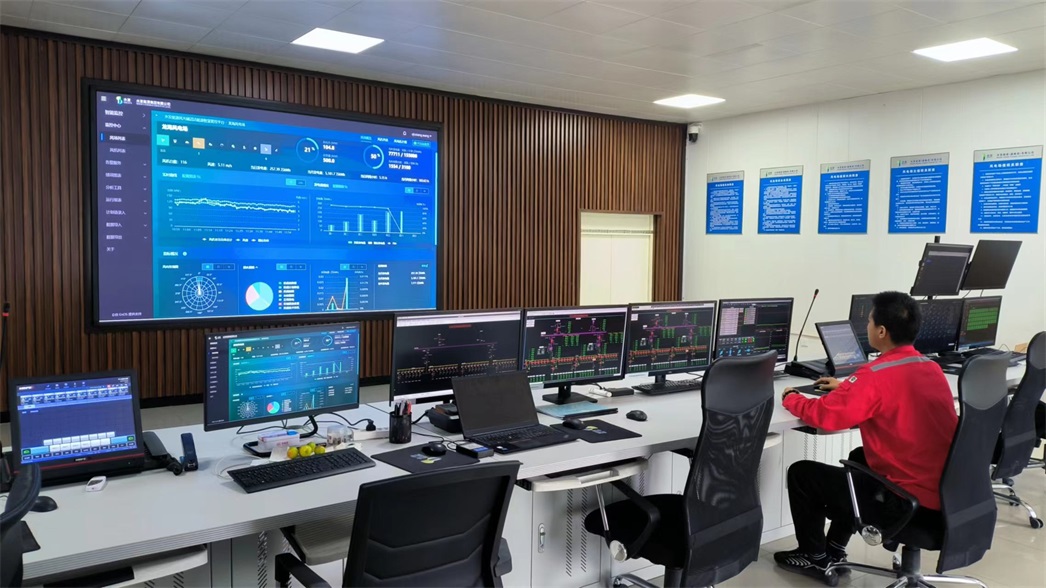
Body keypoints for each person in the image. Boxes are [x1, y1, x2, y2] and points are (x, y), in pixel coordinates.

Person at [773, 291, 958, 585]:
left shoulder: (874, 375)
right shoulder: (930, 367)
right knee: (859, 457)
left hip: (907, 505)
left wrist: (792, 397)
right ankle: (835, 547)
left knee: (802, 474)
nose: (868, 326)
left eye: (870, 322)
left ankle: (814, 558)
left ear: (881, 331)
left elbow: (825, 416)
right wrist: (849, 388)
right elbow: (894, 395)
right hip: (948, 497)